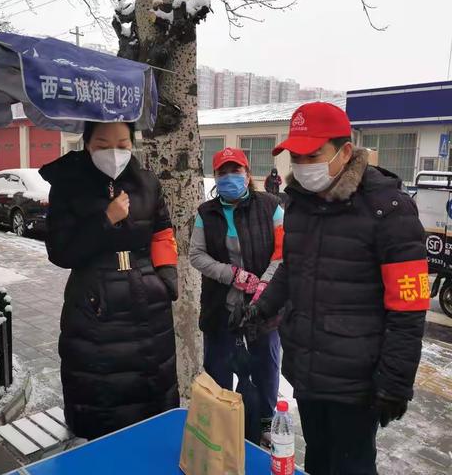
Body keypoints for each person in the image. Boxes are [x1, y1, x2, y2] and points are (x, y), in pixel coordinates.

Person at [252, 102, 429, 474]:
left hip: (357, 381)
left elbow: (409, 307)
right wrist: (261, 308)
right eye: (295, 156)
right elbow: (291, 270)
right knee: (317, 460)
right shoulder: (298, 203)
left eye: (312, 155)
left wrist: (396, 381)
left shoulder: (390, 210)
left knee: (351, 466)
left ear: (345, 152)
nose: (302, 165)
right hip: (307, 368)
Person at [39, 121, 180, 440]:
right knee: (100, 400)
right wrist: (105, 220)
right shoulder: (68, 184)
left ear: (132, 144)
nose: (113, 153)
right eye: (102, 145)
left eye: (122, 144)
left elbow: (162, 230)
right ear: (86, 144)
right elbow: (60, 252)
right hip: (94, 307)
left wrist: (167, 278)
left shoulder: (147, 182)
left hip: (148, 303)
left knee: (151, 402)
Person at [189, 147, 284, 446]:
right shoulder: (207, 212)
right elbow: (196, 255)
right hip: (221, 310)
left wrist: (264, 286)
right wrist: (232, 274)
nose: (230, 176)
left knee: (265, 371)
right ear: (216, 177)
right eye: (223, 172)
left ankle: (265, 426)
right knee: (218, 370)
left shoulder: (271, 206)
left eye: (236, 170)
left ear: (247, 173)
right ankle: (221, 427)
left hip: (264, 311)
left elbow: (283, 252)